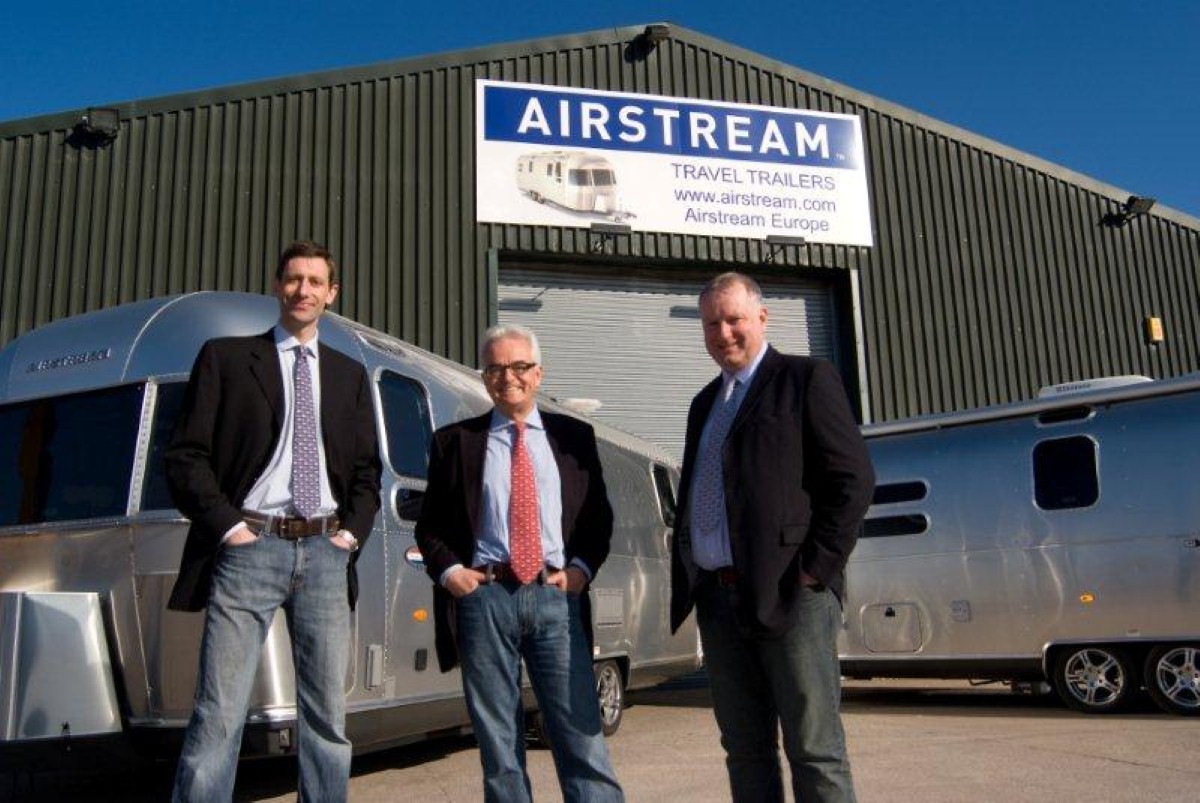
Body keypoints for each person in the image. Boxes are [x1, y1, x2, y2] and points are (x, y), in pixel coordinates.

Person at [165, 240, 382, 802]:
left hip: (327, 554)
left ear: (332, 294)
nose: (303, 290)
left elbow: (365, 474)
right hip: (249, 548)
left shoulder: (349, 376)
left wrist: (348, 536)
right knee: (219, 712)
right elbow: (186, 456)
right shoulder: (227, 358)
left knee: (328, 718)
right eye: (293, 279)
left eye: (315, 281)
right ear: (276, 286)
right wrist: (230, 530)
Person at [670, 272, 875, 803]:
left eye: (734, 319)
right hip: (719, 598)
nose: (723, 333)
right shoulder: (703, 404)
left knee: (814, 748)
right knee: (744, 747)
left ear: (762, 318)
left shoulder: (806, 379)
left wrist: (815, 569)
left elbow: (852, 480)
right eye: (711, 323)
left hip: (792, 595)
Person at [414, 324, 624, 803]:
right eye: (495, 368)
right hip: (484, 600)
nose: (508, 377)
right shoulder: (455, 442)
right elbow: (431, 527)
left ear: (538, 372)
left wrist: (579, 572)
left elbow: (597, 519)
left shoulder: (575, 437)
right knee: (499, 746)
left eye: (519, 366)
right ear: (484, 376)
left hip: (556, 600)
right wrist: (452, 574)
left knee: (580, 734)